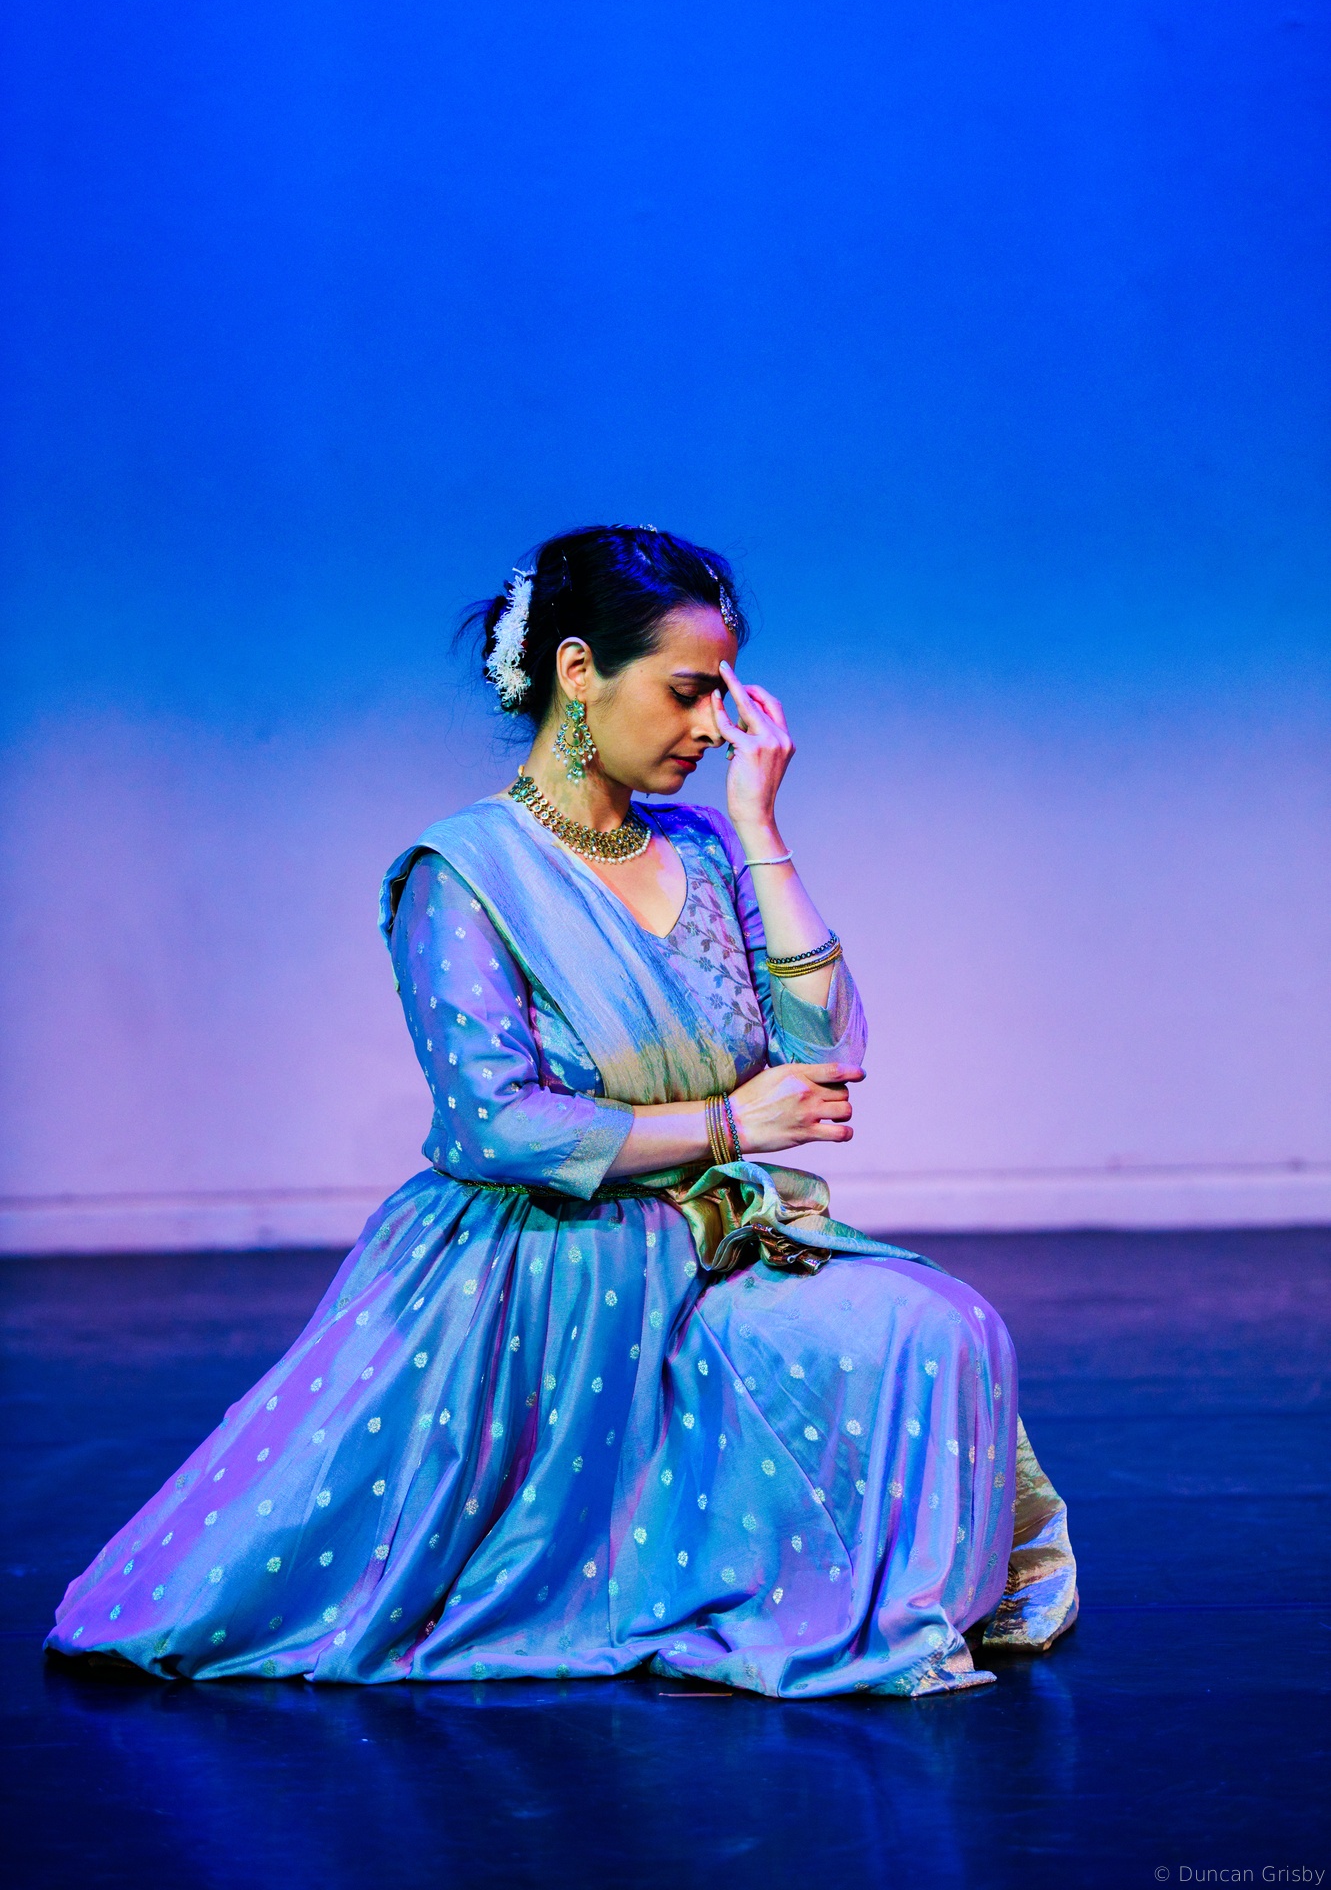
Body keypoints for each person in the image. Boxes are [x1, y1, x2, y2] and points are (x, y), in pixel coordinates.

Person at [47, 525, 1076, 1695]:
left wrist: (760, 828)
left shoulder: (704, 849)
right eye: (687, 692)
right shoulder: (461, 872)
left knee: (941, 1327)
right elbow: (495, 1125)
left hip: (716, 1244)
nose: (713, 727)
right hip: (543, 1269)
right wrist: (727, 1126)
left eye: (723, 695)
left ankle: (850, 1599)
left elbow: (826, 1053)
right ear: (577, 670)